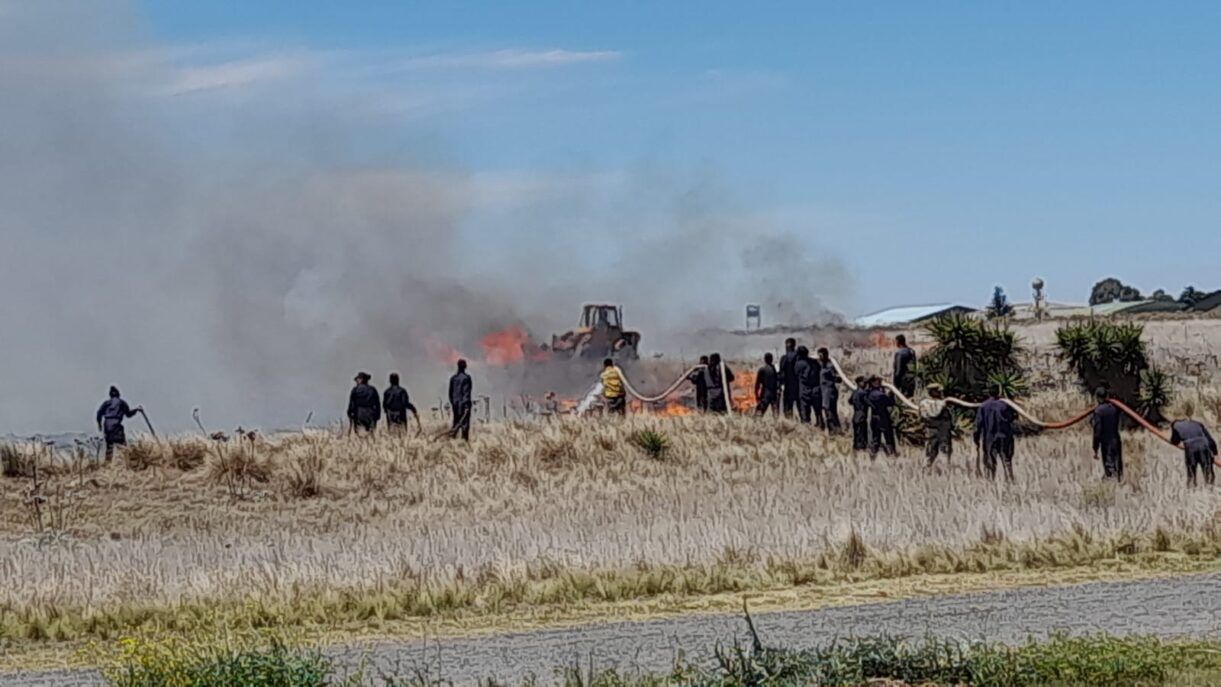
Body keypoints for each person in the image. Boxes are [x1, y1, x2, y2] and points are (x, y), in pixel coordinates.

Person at [1169, 402, 1216, 488]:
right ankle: (1210, 491)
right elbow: (1210, 439)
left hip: (1190, 448)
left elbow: (1175, 441)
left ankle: (1191, 493)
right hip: (1204, 446)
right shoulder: (1198, 424)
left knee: (1191, 475)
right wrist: (1214, 451)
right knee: (1208, 473)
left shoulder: (1175, 425)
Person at [973, 388, 1015, 481]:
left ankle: (990, 481)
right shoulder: (1005, 405)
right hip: (1005, 436)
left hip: (990, 438)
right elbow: (1012, 418)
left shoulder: (983, 406)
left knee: (990, 460)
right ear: (999, 392)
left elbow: (978, 424)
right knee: (1006, 459)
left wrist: (976, 437)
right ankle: (1009, 479)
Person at [96, 386, 141, 460]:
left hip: (107, 425)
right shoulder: (122, 403)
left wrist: (99, 425)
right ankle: (127, 461)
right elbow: (128, 414)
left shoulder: (106, 403)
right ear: (118, 394)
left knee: (109, 446)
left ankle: (107, 464)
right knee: (123, 446)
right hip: (116, 425)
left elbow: (99, 414)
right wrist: (137, 409)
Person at [1091, 387, 1123, 480]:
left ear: (1097, 397)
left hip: (1106, 443)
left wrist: (1095, 447)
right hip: (1116, 440)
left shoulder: (1098, 411)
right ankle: (1119, 485)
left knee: (1110, 468)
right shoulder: (1114, 408)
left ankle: (1112, 489)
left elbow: (1097, 431)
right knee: (1117, 467)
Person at [920, 383, 953, 467]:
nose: (941, 393)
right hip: (943, 431)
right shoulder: (942, 403)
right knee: (944, 450)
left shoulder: (923, 403)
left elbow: (922, 416)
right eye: (939, 391)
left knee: (930, 450)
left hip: (930, 430)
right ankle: (945, 470)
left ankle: (927, 468)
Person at [866, 376, 897, 457]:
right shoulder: (880, 395)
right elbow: (890, 403)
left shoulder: (869, 393)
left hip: (874, 417)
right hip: (883, 417)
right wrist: (891, 395)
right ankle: (891, 454)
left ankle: (873, 454)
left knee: (875, 437)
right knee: (888, 437)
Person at [816, 348, 841, 432]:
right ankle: (832, 429)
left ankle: (834, 430)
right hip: (824, 392)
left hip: (829, 392)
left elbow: (837, 378)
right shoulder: (819, 365)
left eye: (821, 355)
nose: (820, 357)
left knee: (830, 411)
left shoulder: (830, 366)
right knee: (827, 411)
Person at [448, 359, 473, 441]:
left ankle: (452, 442)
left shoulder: (453, 378)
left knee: (456, 423)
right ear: (465, 367)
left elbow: (450, 393)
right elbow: (466, 393)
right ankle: (464, 443)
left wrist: (453, 403)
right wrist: (466, 406)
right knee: (465, 425)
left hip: (455, 405)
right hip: (463, 405)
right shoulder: (466, 378)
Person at [793, 346, 819, 424]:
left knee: (805, 414)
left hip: (804, 390)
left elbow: (795, 374)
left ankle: (807, 430)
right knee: (818, 412)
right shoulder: (814, 362)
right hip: (815, 390)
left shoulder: (799, 364)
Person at [778, 338, 800, 418]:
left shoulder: (784, 358)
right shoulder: (799, 357)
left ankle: (789, 422)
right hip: (798, 385)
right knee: (801, 408)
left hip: (788, 386)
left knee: (787, 407)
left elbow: (782, 372)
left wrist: (781, 384)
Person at [755, 352, 779, 416]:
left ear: (765, 359)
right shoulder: (775, 370)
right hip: (774, 394)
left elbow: (757, 384)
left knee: (758, 414)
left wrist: (756, 394)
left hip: (765, 394)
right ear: (772, 359)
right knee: (775, 414)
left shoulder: (762, 370)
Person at [893, 334, 917, 399]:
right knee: (910, 398)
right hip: (912, 379)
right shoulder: (911, 351)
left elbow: (898, 370)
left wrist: (895, 384)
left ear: (898, 342)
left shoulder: (900, 353)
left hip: (903, 381)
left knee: (903, 399)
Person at [849, 376, 869, 451]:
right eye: (864, 382)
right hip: (862, 415)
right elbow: (869, 403)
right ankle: (862, 449)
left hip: (855, 415)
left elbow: (850, 401)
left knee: (856, 434)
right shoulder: (863, 393)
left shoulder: (855, 392)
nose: (866, 384)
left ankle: (856, 448)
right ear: (859, 383)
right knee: (862, 434)